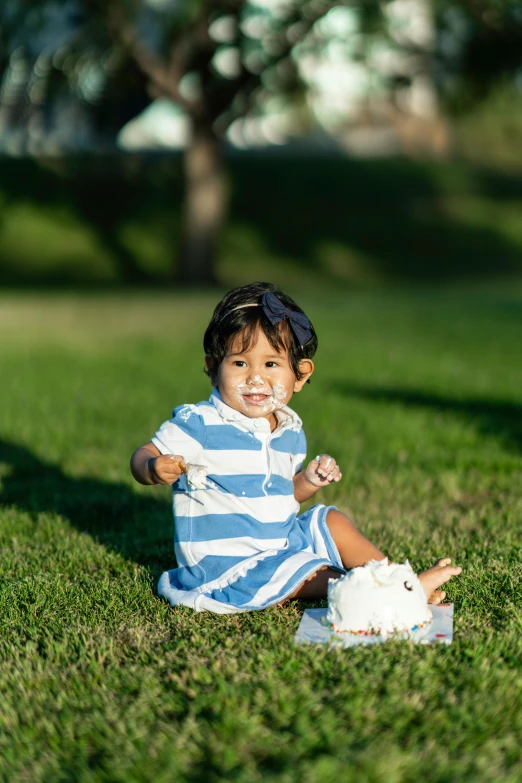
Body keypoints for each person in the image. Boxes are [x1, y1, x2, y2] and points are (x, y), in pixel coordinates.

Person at [130, 282, 461, 614]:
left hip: (280, 542)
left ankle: (393, 579)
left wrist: (309, 482)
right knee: (314, 574)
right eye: (240, 364)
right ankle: (390, 591)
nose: (255, 377)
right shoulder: (201, 423)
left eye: (271, 364)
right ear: (214, 368)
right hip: (230, 567)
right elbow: (142, 455)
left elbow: (282, 497)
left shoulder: (289, 430)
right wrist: (152, 468)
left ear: (300, 375)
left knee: (330, 520)